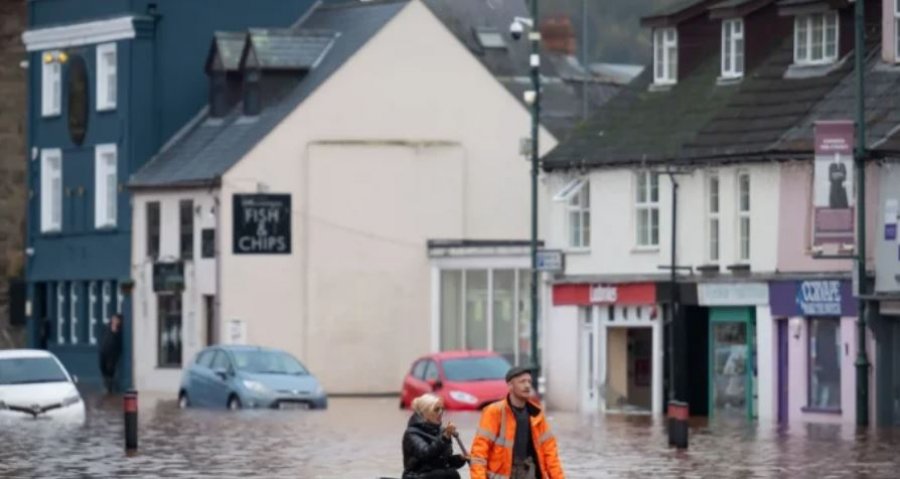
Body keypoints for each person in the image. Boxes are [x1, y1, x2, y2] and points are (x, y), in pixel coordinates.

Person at [470, 366, 564, 479]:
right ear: (510, 386)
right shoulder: (494, 412)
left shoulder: (537, 415)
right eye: (522, 382)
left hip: (529, 473)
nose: (527, 385)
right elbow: (479, 454)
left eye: (529, 381)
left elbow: (551, 456)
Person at [402, 393, 468, 479]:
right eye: (436, 410)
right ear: (424, 413)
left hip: (436, 474)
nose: (441, 413)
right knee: (449, 474)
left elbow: (444, 462)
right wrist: (444, 438)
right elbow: (426, 455)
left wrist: (460, 459)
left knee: (451, 473)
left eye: (442, 409)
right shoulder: (411, 434)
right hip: (416, 476)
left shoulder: (442, 431)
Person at [99, 313, 123, 394]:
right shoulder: (107, 327)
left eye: (116, 320)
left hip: (113, 354)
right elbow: (103, 337)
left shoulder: (119, 330)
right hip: (104, 351)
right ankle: (106, 385)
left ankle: (110, 388)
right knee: (103, 368)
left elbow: (119, 341)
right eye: (113, 319)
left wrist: (115, 331)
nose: (114, 321)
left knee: (111, 370)